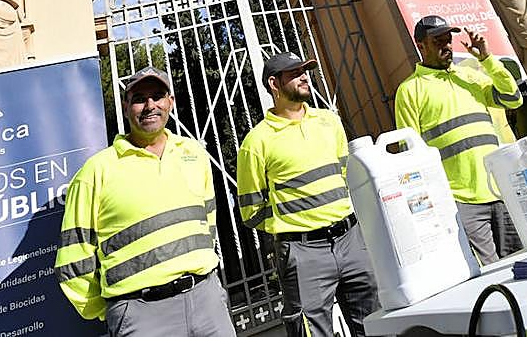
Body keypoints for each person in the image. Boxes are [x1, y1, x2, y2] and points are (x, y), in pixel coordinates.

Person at [56, 66, 235, 337]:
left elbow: (208, 224)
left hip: (206, 302)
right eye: (140, 98)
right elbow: (73, 260)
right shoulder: (95, 172)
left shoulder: (194, 154)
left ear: (170, 102)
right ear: (126, 106)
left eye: (158, 96)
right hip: (141, 315)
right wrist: (119, 311)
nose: (150, 106)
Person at [237, 52, 378, 337]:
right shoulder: (256, 142)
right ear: (274, 84)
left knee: (375, 325)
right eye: (295, 73)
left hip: (351, 240)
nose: (304, 77)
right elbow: (251, 211)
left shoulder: (330, 121)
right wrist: (292, 225)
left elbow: (344, 175)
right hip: (302, 253)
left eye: (305, 71)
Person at [394, 14, 523, 265]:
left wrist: (487, 59)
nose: (446, 45)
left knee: (524, 263)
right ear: (421, 46)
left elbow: (513, 99)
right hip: (460, 201)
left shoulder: (470, 76)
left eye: (448, 39)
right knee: (489, 273)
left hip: (499, 191)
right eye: (438, 41)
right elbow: (410, 157)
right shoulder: (409, 90)